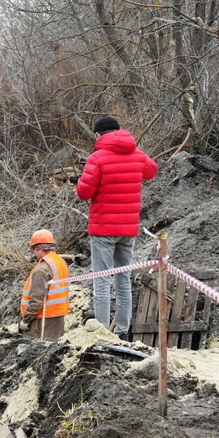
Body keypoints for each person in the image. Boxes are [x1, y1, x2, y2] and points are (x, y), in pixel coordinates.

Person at [75, 115, 157, 338]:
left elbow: (84, 193)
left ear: (98, 135)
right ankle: (121, 330)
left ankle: (101, 332)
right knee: (123, 280)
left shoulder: (97, 158)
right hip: (128, 229)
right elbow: (151, 171)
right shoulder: (137, 154)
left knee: (101, 281)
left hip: (103, 229)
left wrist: (82, 176)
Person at [18, 229, 70, 341]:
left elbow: (36, 300)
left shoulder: (41, 269)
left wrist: (26, 320)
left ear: (40, 249)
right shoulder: (59, 262)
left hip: (41, 322)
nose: (35, 254)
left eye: (34, 251)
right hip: (57, 319)